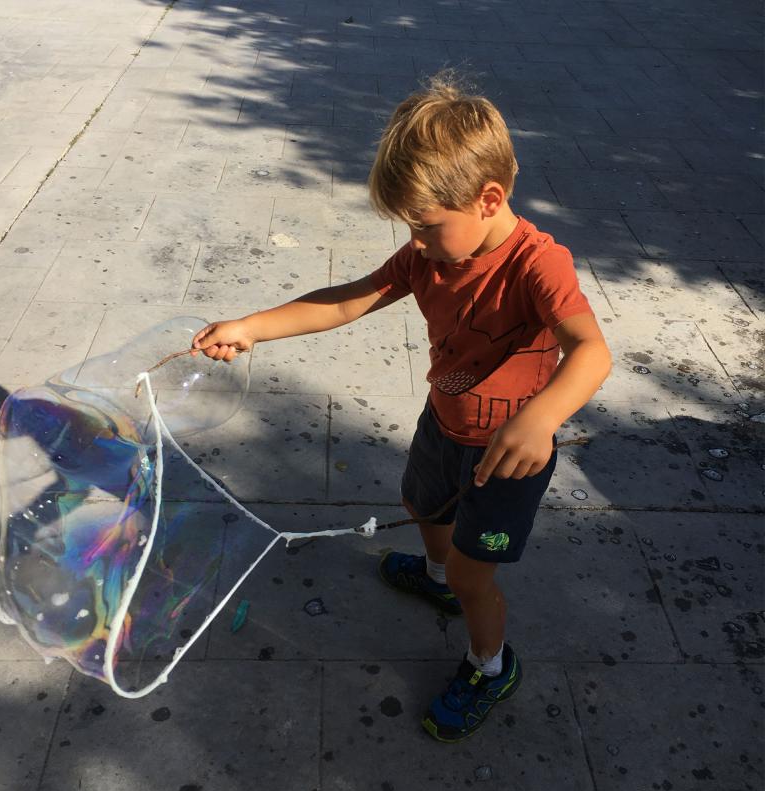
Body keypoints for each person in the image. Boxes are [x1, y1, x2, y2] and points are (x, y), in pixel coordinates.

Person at [191, 73, 612, 743]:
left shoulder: (538, 264)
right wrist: (253, 325)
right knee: (422, 503)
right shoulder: (429, 257)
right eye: (409, 227)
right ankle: (436, 575)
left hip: (508, 455)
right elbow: (350, 298)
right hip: (444, 424)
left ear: (489, 198)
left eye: (425, 225)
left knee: (481, 577)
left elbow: (591, 349)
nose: (415, 242)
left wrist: (542, 417)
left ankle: (489, 664)